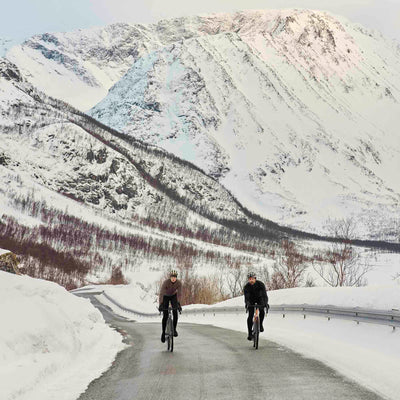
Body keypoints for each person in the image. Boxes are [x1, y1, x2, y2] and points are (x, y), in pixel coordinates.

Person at [158, 269, 182, 343]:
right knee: (165, 315)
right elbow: (161, 293)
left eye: (175, 277)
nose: (173, 278)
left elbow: (179, 294)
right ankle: (163, 333)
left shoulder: (179, 283)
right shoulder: (166, 282)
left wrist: (178, 303)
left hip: (173, 296)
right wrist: (161, 304)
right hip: (165, 296)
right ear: (170, 277)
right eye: (172, 277)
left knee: (175, 312)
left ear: (176, 277)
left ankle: (174, 329)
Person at [243, 271, 269, 341]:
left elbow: (264, 295)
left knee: (262, 311)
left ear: (255, 278)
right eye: (250, 279)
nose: (251, 280)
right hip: (251, 301)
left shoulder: (261, 284)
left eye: (252, 279)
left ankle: (260, 324)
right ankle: (250, 333)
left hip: (260, 299)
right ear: (248, 280)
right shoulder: (246, 287)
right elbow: (246, 298)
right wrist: (247, 304)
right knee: (250, 315)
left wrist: (265, 303)